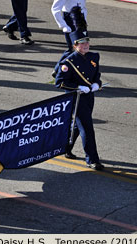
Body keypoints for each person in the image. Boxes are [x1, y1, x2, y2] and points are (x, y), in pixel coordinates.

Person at [55, 30, 104, 170]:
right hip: (76, 99)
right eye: (82, 43)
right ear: (75, 45)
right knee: (87, 128)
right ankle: (92, 160)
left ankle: (65, 147)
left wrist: (97, 84)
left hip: (89, 96)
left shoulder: (94, 56)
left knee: (78, 126)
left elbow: (96, 74)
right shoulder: (68, 62)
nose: (86, 45)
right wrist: (78, 87)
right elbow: (60, 82)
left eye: (87, 42)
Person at [51, 0, 87, 77]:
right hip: (70, 18)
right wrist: (63, 25)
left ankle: (59, 70)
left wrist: (84, 19)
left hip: (80, 18)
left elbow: (83, 7)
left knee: (79, 48)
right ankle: (60, 70)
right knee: (75, 48)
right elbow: (55, 9)